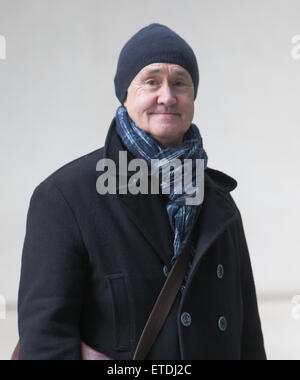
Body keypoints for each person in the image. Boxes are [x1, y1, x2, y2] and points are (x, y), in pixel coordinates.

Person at [17, 23, 267, 360]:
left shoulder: (219, 202)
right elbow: (46, 343)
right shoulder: (65, 197)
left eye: (180, 83)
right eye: (151, 81)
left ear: (192, 97)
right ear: (125, 94)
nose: (167, 96)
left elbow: (248, 337)